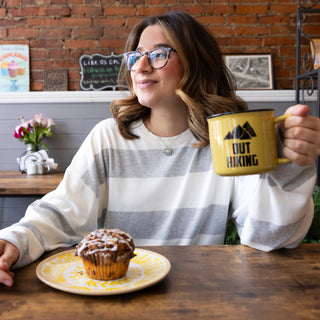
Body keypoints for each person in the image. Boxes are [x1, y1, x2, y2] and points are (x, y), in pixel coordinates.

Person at [0, 11, 320, 287]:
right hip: (114, 299)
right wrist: (13, 241)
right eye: (135, 55)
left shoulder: (227, 142)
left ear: (195, 62)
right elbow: (58, 213)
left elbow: (269, 237)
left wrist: (291, 165)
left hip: (201, 297)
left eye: (158, 54)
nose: (140, 66)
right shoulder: (108, 138)